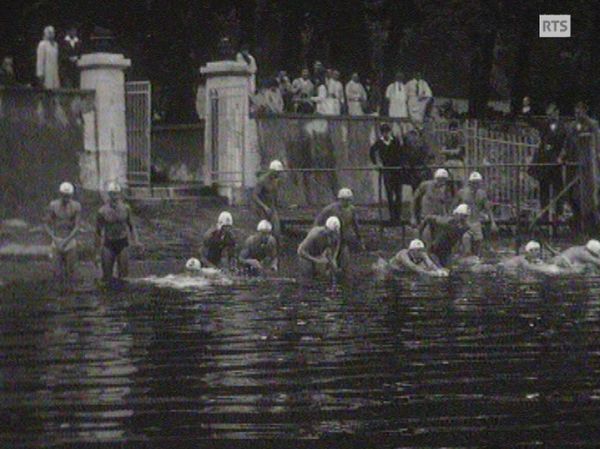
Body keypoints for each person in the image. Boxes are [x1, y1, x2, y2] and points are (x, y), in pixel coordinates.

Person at [527, 103, 567, 222]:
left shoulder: (563, 127)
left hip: (556, 161)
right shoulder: (545, 124)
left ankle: (559, 213)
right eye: (548, 114)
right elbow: (531, 121)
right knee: (543, 188)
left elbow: (566, 144)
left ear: (557, 112)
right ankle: (544, 213)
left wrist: (562, 157)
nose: (549, 116)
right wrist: (526, 108)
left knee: (558, 187)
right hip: (544, 160)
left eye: (551, 113)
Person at [95, 182, 139, 283]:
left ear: (119, 194)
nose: (114, 197)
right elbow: (97, 232)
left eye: (116, 194)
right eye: (112, 194)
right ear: (109, 195)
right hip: (108, 243)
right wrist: (96, 252)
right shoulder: (102, 211)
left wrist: (136, 241)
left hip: (122, 242)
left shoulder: (126, 209)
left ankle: (123, 295)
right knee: (106, 277)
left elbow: (131, 226)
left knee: (124, 277)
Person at [314, 188, 364, 274]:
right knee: (330, 258)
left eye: (348, 200)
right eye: (344, 200)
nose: (346, 203)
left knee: (344, 259)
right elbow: (318, 220)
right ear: (339, 200)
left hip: (343, 238)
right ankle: (326, 273)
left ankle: (342, 274)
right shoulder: (330, 209)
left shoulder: (352, 210)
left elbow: (355, 225)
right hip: (330, 238)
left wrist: (359, 237)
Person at [44, 182, 82, 286]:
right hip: (57, 239)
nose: (66, 198)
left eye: (68, 196)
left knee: (71, 272)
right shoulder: (53, 205)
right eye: (64, 196)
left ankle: (70, 294)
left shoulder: (76, 206)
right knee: (56, 272)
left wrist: (67, 240)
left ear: (71, 195)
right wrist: (54, 238)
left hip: (70, 241)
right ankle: (58, 295)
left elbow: (77, 226)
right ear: (60, 194)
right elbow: (46, 224)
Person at [453, 172, 498, 256]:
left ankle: (476, 258)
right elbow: (454, 207)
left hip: (476, 221)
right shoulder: (462, 193)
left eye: (477, 182)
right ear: (470, 182)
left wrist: (493, 222)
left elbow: (488, 208)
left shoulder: (482, 194)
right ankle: (464, 257)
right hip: (464, 221)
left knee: (478, 242)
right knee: (465, 240)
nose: (475, 185)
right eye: (474, 182)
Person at [369, 123, 405, 224]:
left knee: (398, 194)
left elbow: (401, 153)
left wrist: (401, 164)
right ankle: (392, 217)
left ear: (389, 132)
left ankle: (398, 216)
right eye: (383, 132)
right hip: (387, 170)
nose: (385, 134)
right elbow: (372, 152)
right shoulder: (379, 142)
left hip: (397, 170)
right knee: (389, 194)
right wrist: (377, 164)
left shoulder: (395, 141)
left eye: (387, 132)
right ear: (381, 133)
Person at [253, 160, 284, 239]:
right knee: (263, 229)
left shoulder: (275, 180)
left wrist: (277, 203)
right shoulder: (262, 180)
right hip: (262, 208)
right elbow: (255, 195)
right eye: (277, 172)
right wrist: (264, 207)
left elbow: (274, 194)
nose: (278, 174)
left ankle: (275, 246)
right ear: (272, 171)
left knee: (277, 231)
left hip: (271, 207)